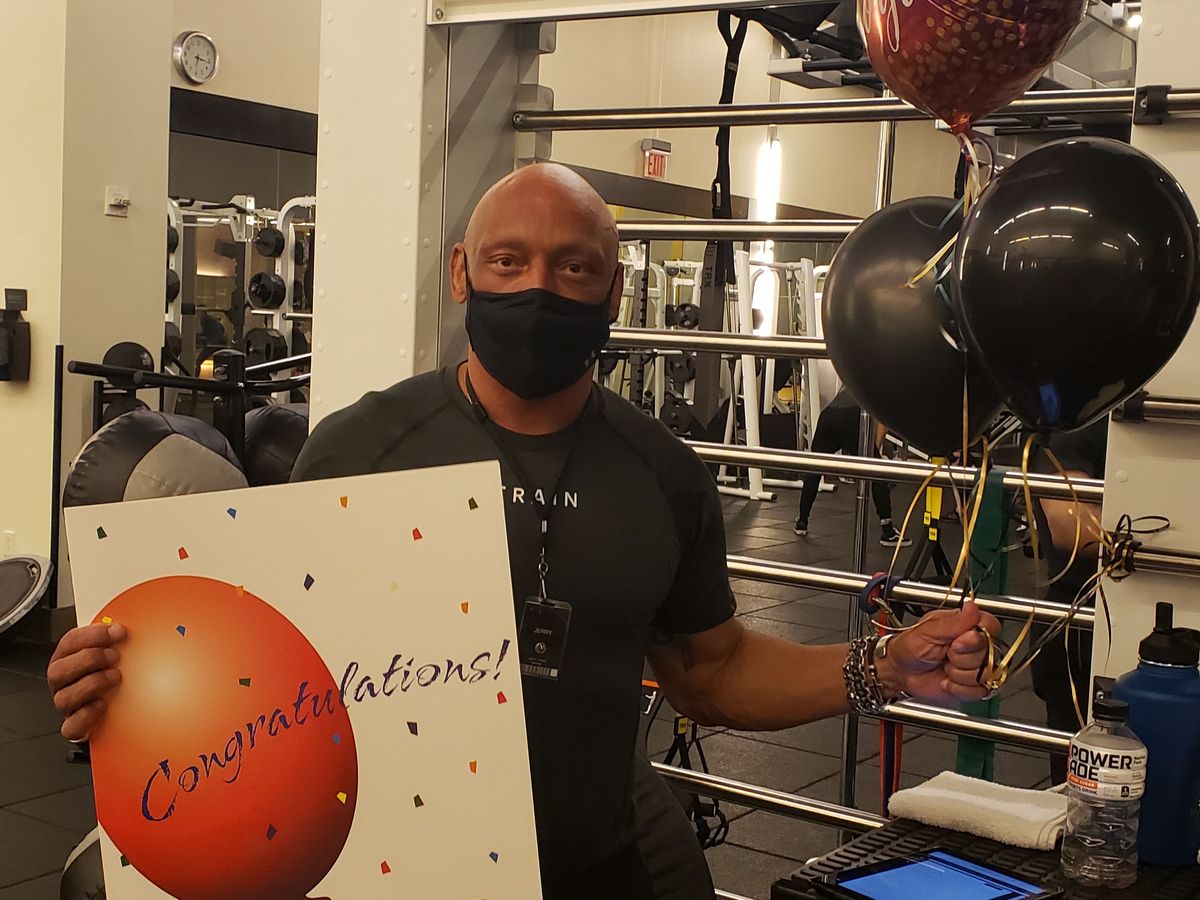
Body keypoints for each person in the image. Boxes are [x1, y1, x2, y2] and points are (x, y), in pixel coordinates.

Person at [47, 164, 999, 900]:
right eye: (509, 261)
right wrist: (126, 686)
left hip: (597, 872)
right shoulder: (361, 449)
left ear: (613, 290)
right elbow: (255, 670)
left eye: (573, 267)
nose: (539, 287)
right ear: (462, 272)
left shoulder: (662, 472)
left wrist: (883, 667)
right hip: (397, 874)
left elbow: (709, 673)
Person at [1031, 417, 1108, 783]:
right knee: (1078, 787)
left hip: (1143, 613)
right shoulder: (1079, 425)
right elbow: (1071, 527)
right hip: (1080, 624)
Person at [794, 387, 912, 548]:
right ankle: (888, 531)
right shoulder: (885, 385)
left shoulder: (855, 378)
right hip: (851, 417)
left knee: (815, 468)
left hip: (828, 416)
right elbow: (882, 424)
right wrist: (874, 455)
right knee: (878, 472)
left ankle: (802, 521)